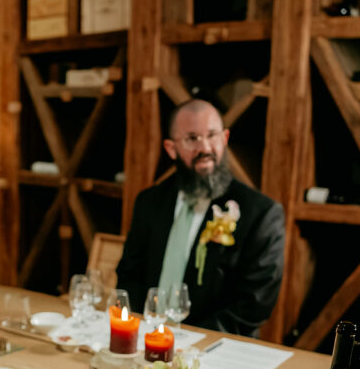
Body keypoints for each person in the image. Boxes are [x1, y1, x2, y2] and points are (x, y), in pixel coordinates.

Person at [115, 99, 285, 337]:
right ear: (171, 147)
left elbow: (254, 304)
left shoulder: (261, 213)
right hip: (146, 338)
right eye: (192, 138)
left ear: (225, 139)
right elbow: (129, 274)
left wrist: (188, 340)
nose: (205, 147)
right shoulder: (149, 202)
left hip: (218, 348)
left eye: (212, 135)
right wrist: (140, 329)